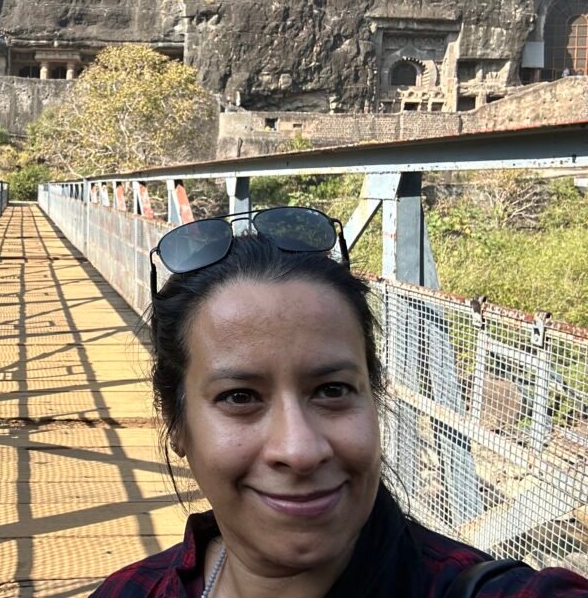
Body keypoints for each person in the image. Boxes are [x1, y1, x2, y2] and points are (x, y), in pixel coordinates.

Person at [91, 207, 588, 597]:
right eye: (239, 396)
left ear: (374, 395)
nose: (300, 450)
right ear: (176, 423)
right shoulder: (129, 591)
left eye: (332, 390)